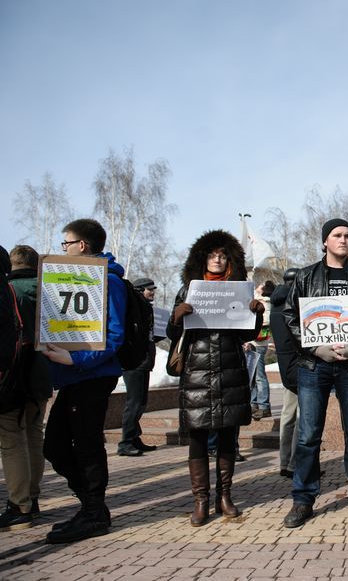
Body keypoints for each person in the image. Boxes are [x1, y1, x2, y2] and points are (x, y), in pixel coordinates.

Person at [282, 218, 348, 528]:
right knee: (308, 435)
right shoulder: (305, 277)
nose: (343, 240)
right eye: (337, 235)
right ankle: (303, 499)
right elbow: (291, 317)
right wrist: (315, 348)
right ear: (325, 241)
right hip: (314, 366)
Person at [167, 230, 264, 527]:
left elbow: (247, 334)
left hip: (230, 368)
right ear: (202, 259)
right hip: (196, 370)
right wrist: (177, 316)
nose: (218, 260)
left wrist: (257, 314)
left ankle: (225, 496)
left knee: (227, 437)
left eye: (222, 255)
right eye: (212, 255)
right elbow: (173, 335)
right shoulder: (188, 290)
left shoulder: (239, 291)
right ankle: (200, 500)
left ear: (230, 260)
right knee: (197, 437)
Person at [41, 219, 127, 543]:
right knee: (55, 446)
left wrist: (76, 359)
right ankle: (93, 508)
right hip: (74, 376)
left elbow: (114, 336)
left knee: (87, 445)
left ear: (82, 245)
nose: (63, 248)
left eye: (66, 243)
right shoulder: (72, 278)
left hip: (93, 375)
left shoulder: (109, 281)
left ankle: (93, 514)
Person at [0, 245, 53, 531]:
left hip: (13, 374)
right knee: (34, 435)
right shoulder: (49, 290)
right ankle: (32, 498)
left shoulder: (7, 290)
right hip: (42, 372)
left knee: (11, 439)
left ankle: (19, 505)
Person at [117, 277, 162, 456]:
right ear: (139, 290)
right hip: (134, 362)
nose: (152, 293)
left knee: (141, 402)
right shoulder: (134, 308)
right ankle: (125, 442)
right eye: (149, 289)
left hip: (144, 361)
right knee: (134, 403)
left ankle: (134, 438)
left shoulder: (145, 308)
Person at [270, 268, 300, 478]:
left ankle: (284, 461)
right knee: (302, 417)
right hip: (301, 365)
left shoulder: (275, 304)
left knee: (288, 414)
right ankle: (295, 464)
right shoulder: (294, 304)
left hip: (285, 365)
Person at [247, 280, 275, 420]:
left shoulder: (265, 302)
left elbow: (265, 321)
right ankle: (254, 404)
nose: (257, 286)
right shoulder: (258, 300)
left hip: (258, 342)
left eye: (260, 285)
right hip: (253, 342)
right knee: (252, 375)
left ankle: (263, 406)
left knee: (259, 375)